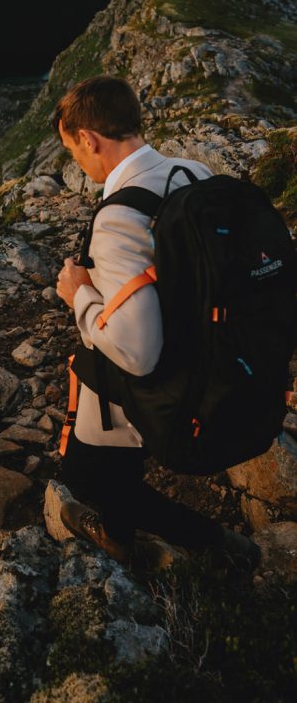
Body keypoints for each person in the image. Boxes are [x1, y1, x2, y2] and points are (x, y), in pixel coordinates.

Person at [53, 75, 259, 568]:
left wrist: (78, 294)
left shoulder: (118, 218)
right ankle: (120, 534)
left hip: (151, 384)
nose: (76, 162)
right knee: (116, 472)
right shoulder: (192, 172)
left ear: (88, 138)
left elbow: (138, 352)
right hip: (203, 356)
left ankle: (217, 544)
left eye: (72, 150)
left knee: (86, 475)